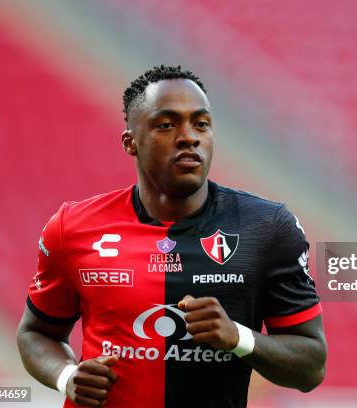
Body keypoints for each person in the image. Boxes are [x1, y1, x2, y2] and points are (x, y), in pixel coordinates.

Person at [17, 65, 327, 408]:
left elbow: (311, 366)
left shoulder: (267, 227)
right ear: (130, 142)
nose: (188, 136)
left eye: (201, 124)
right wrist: (66, 376)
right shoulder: (72, 227)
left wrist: (238, 337)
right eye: (166, 125)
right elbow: (36, 333)